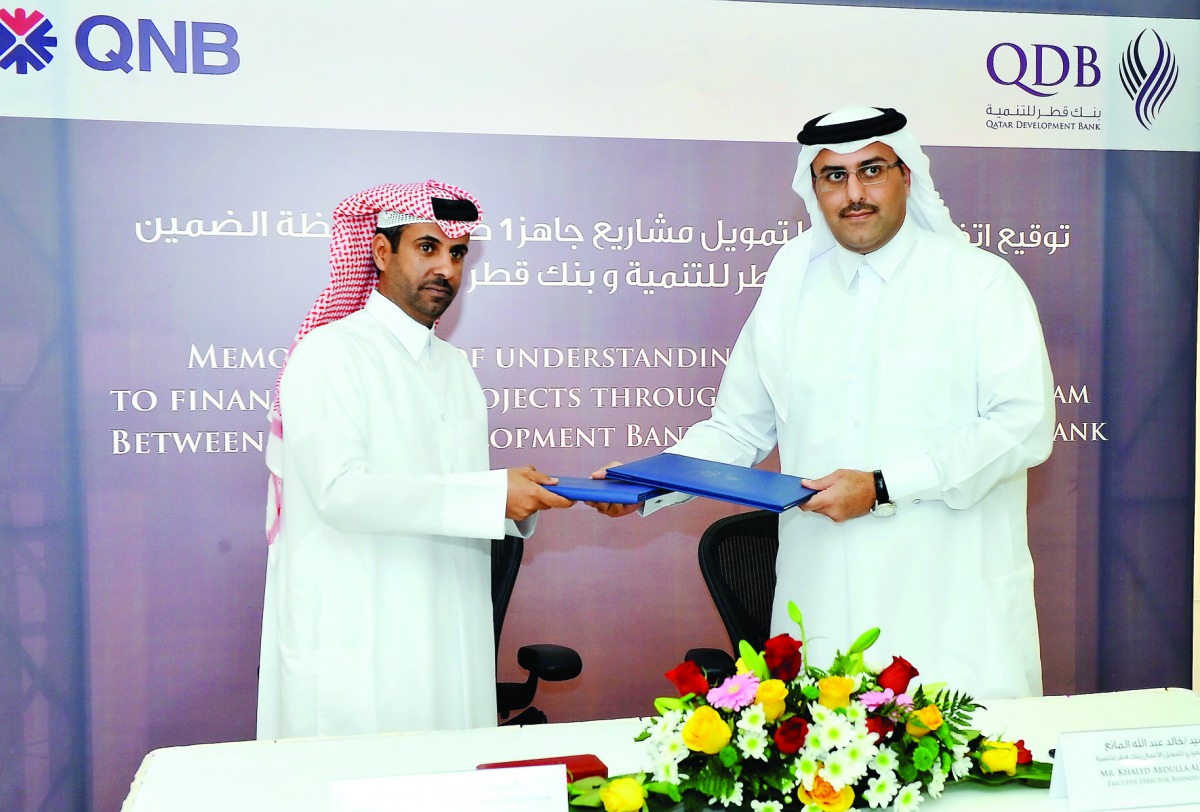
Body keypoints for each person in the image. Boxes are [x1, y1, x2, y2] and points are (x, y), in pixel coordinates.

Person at [593, 106, 1054, 699]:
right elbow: (738, 428)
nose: (854, 192)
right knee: (828, 780)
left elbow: (1023, 425)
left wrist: (885, 485)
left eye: (871, 170)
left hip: (946, 593)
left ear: (905, 175)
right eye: (833, 176)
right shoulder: (790, 285)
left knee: (960, 778)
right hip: (822, 595)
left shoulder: (980, 283)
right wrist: (650, 482)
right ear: (812, 188)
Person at [257, 180, 573, 739]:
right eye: (427, 248)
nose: (447, 269)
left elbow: (452, 494)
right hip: (361, 638)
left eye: (457, 254)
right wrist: (490, 494)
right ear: (380, 253)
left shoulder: (455, 368)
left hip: (449, 632)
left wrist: (516, 499)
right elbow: (341, 492)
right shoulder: (329, 353)